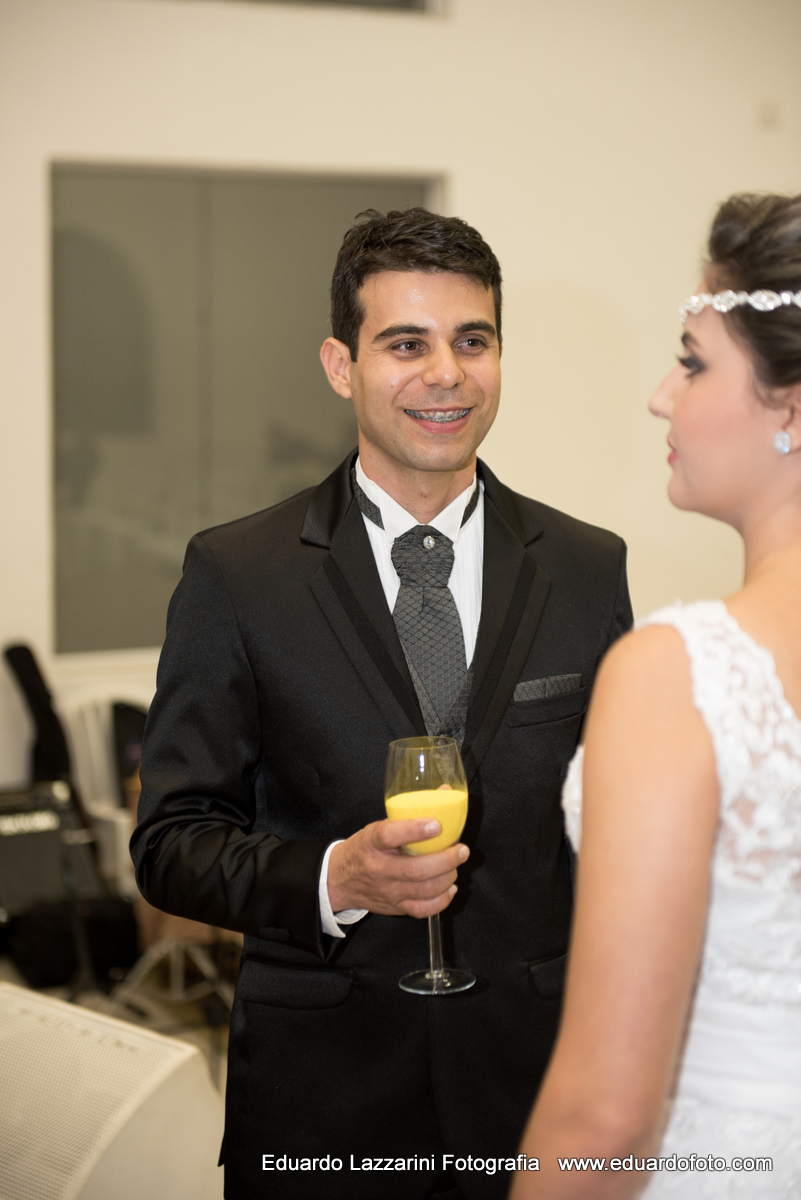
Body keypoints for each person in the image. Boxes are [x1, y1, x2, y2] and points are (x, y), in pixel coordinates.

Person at [131, 208, 632, 1200]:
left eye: (472, 340)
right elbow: (170, 841)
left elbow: (615, 827)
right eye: (406, 343)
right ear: (339, 364)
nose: (445, 373)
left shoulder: (588, 567)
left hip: (534, 1098)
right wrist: (334, 877)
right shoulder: (236, 574)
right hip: (325, 1106)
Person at [511, 192, 801, 1199]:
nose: (659, 397)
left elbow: (607, 1114)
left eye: (690, 360)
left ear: (792, 405)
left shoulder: (680, 672)